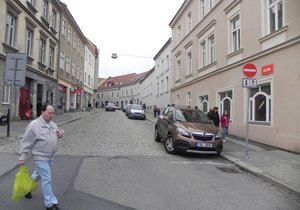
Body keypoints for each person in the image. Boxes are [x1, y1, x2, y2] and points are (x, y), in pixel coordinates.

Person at [18, 104, 64, 210]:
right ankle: (50, 203)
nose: (52, 115)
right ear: (42, 112)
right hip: (40, 156)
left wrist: (61, 133)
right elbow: (26, 142)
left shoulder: (52, 124)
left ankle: (27, 189)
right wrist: (22, 157)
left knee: (38, 174)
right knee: (47, 178)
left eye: (53, 113)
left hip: (50, 157)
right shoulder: (34, 125)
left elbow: (59, 132)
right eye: (49, 113)